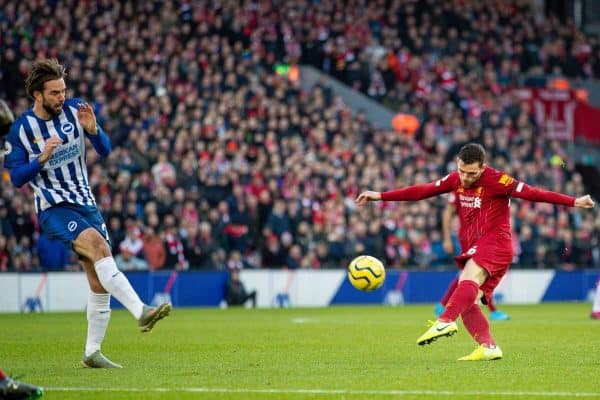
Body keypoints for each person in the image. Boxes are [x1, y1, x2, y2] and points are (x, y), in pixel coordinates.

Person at [1, 59, 171, 369]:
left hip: (86, 203)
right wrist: (41, 159)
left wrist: (94, 132)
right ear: (37, 95)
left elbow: (104, 150)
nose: (61, 97)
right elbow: (15, 178)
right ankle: (141, 312)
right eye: (54, 93)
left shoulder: (75, 110)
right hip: (54, 208)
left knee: (97, 278)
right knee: (99, 247)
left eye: (63, 91)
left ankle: (92, 352)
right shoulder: (21, 129)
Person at [355, 143, 595, 361]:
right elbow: (422, 191)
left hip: (497, 242)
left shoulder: (499, 180)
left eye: (472, 173)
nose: (466, 178)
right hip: (482, 245)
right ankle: (488, 346)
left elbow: (534, 193)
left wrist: (575, 201)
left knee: (466, 282)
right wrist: (379, 196)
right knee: (469, 299)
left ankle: (444, 320)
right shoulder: (455, 179)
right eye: (462, 171)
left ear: (483, 168)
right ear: (458, 165)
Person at [434, 196, 510, 321]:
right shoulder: (460, 188)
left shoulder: (482, 187)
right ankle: (493, 310)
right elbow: (447, 212)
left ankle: (442, 304)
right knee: (479, 271)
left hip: (482, 235)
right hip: (469, 237)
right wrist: (447, 238)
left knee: (469, 273)